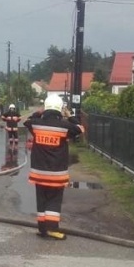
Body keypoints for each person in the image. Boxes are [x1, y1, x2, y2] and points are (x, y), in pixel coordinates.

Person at [23, 95, 84, 240]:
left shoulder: (36, 124)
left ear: (46, 107)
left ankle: (42, 229)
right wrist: (70, 116)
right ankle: (52, 229)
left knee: (42, 199)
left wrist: (38, 112)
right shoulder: (65, 127)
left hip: (38, 173)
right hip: (56, 173)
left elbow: (26, 121)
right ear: (60, 108)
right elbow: (80, 129)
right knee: (54, 200)